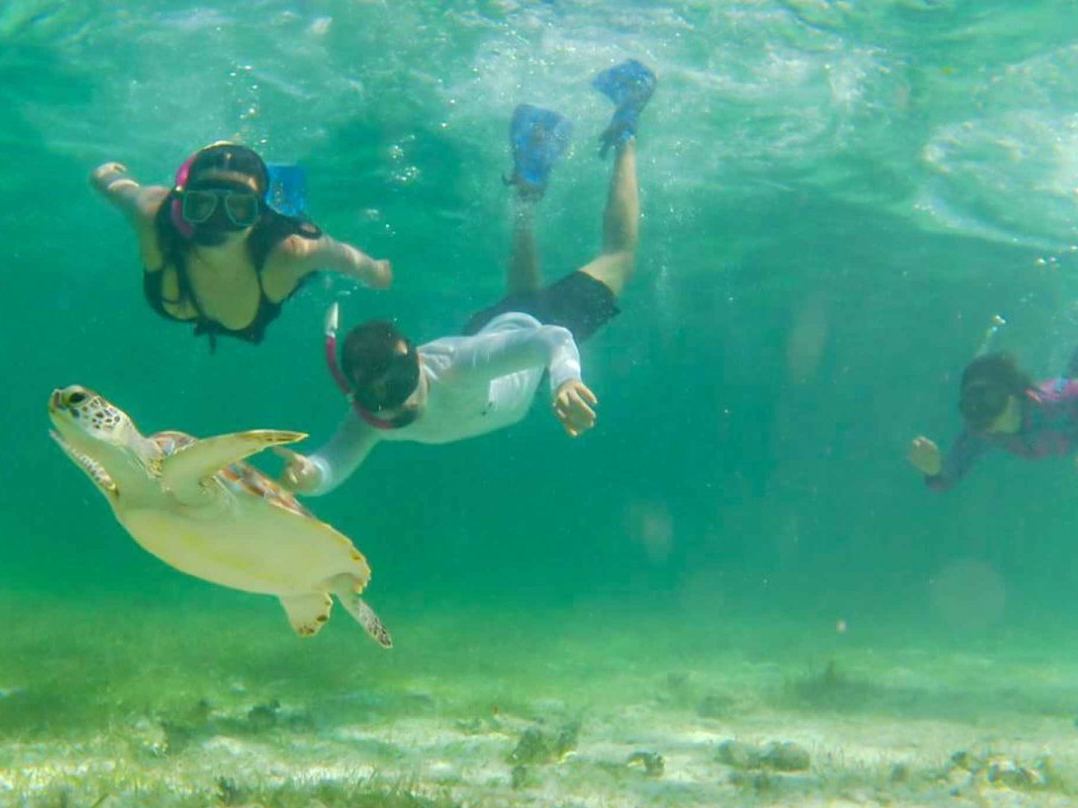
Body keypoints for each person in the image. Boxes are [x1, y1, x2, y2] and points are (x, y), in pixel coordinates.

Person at [277, 58, 657, 496]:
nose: (395, 406)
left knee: (619, 257)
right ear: (355, 392)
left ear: (416, 359)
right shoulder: (374, 411)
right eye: (377, 397)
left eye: (397, 387)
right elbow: (334, 460)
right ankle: (527, 187)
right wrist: (309, 474)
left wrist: (566, 379)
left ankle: (625, 128)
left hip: (520, 335)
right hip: (494, 329)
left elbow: (551, 339)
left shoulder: (459, 369)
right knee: (521, 298)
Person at [90, 141, 393, 352]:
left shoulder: (289, 253)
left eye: (238, 208)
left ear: (259, 215)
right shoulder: (153, 216)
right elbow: (112, 186)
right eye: (202, 204)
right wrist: (106, 175)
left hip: (264, 276)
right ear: (182, 205)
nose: (218, 221)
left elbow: (345, 258)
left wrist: (376, 272)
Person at [908, 347, 1078, 491]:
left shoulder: (1064, 396)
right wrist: (933, 470)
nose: (986, 415)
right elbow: (945, 480)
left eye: (990, 399)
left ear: (1014, 393)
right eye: (972, 406)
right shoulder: (982, 431)